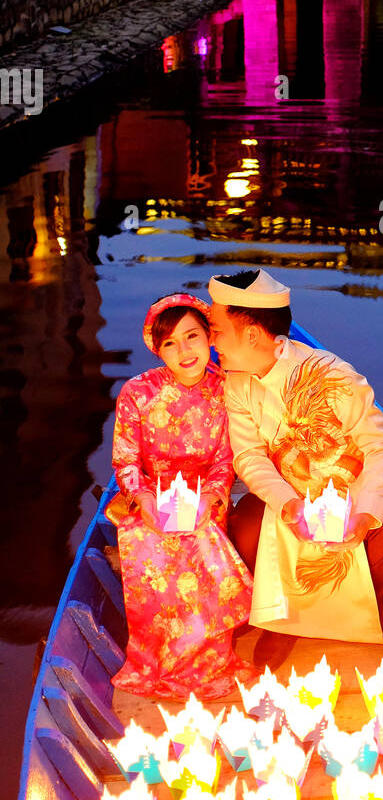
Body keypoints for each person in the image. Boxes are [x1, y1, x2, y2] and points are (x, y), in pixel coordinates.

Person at [208, 269, 383, 668]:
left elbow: (380, 446)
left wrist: (363, 513)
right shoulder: (236, 384)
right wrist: (288, 503)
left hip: (349, 489)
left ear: (251, 335)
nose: (211, 339)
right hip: (290, 490)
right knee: (246, 526)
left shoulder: (332, 374)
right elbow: (249, 456)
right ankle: (279, 620)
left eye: (217, 329)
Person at [108, 294, 253, 699]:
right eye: (170, 342)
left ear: (208, 336)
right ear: (158, 348)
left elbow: (227, 459)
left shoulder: (227, 391)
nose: (184, 350)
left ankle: (207, 654)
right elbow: (125, 460)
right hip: (150, 498)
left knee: (201, 537)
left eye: (191, 336)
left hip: (204, 498)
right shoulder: (138, 392)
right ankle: (159, 656)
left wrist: (209, 499)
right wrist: (144, 499)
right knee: (149, 541)